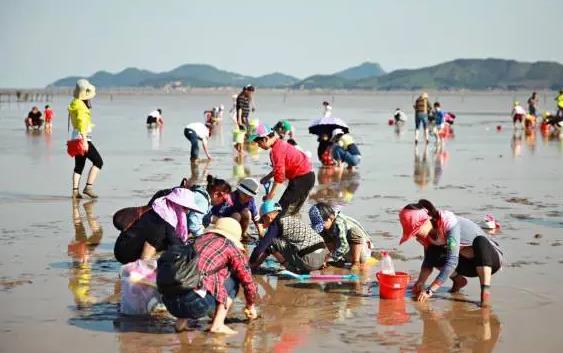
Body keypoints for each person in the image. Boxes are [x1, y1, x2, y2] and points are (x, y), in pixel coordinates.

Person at [399, 199, 504, 307]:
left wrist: (430, 290)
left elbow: (452, 261)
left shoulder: (449, 223)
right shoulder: (426, 237)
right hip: (467, 265)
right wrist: (420, 282)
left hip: (489, 260)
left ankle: (485, 294)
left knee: (480, 241)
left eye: (416, 231)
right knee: (433, 251)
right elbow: (428, 262)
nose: (415, 235)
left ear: (426, 221)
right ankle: (459, 280)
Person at [161, 217, 258, 334]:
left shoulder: (199, 240)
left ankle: (181, 322)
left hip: (170, 302)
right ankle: (218, 324)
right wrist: (250, 305)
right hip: (195, 304)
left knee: (190, 275)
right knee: (234, 280)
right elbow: (248, 281)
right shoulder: (230, 247)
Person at [113, 188, 205, 264]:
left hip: (123, 246)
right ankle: (140, 271)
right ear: (176, 205)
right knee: (162, 240)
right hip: (127, 252)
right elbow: (175, 244)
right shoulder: (164, 219)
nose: (187, 212)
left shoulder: (161, 210)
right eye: (185, 208)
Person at [250, 123, 315, 216]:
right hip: (308, 176)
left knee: (282, 211)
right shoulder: (280, 144)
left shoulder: (276, 151)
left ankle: (278, 228)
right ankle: (289, 228)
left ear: (265, 139)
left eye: (259, 143)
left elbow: (280, 176)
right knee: (292, 211)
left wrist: (270, 196)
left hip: (302, 179)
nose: (259, 146)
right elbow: (279, 168)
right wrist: (267, 177)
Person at [250, 201, 328, 273]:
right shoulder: (290, 219)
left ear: (267, 217)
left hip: (310, 261)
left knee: (270, 242)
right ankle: (256, 265)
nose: (263, 223)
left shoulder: (276, 224)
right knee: (275, 243)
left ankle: (294, 269)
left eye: (262, 221)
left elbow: (260, 248)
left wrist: (250, 263)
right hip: (322, 257)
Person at [308, 202, 372, 269]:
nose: (322, 227)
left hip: (362, 250)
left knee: (353, 232)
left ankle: (356, 262)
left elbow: (344, 246)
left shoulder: (340, 223)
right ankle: (338, 260)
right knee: (324, 234)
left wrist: (330, 258)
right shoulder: (327, 225)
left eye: (322, 224)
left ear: (331, 218)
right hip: (344, 252)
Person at [68, 79, 103, 199]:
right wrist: (84, 141)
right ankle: (88, 187)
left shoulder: (74, 103)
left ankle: (75, 192)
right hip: (83, 138)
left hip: (74, 137)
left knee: (79, 166)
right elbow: (82, 123)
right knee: (98, 162)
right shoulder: (82, 107)